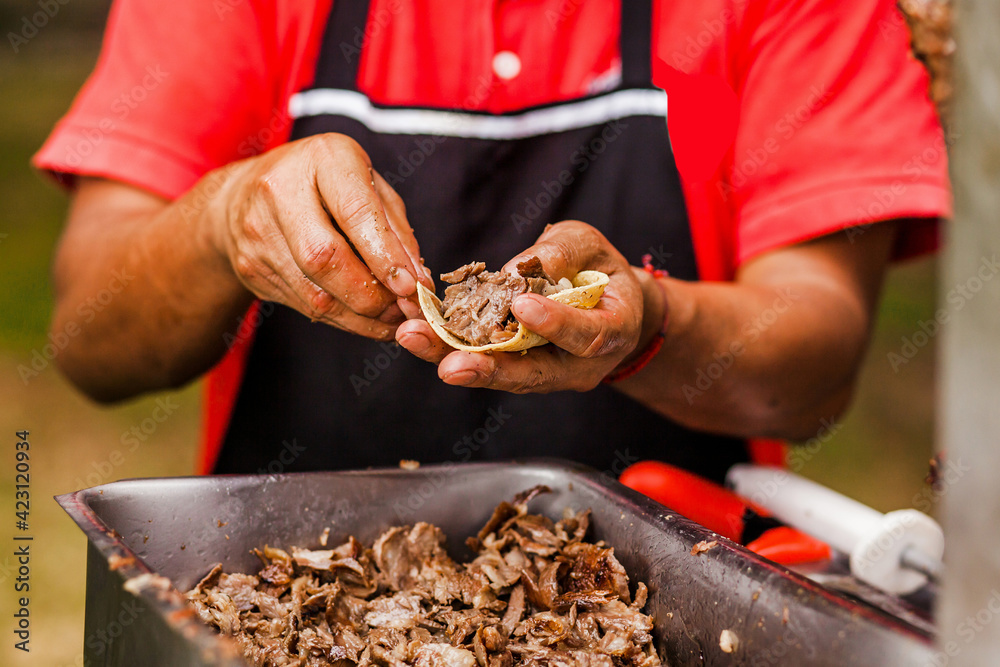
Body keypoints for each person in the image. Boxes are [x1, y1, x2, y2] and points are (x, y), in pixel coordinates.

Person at [35, 0, 950, 482]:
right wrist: (224, 220)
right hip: (297, 590)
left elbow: (818, 361)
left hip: (673, 613)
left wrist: (651, 320)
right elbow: (91, 337)